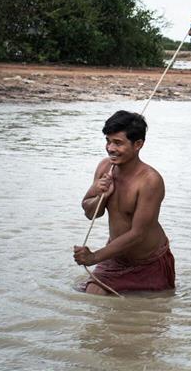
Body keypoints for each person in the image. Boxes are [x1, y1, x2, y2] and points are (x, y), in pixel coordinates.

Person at [73, 110, 175, 293]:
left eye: (118, 143)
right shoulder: (105, 167)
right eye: (108, 141)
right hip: (116, 257)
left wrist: (94, 257)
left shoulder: (150, 181)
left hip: (149, 261)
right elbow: (89, 212)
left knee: (150, 312)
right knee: (93, 293)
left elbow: (138, 234)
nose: (110, 148)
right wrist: (100, 194)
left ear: (138, 145)